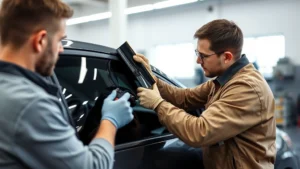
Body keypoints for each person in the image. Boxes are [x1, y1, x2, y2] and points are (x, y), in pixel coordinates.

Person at [0, 0, 133, 169]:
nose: (61, 49)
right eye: (59, 40)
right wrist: (110, 120)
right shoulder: (29, 104)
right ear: (40, 40)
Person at [134, 19, 276, 169]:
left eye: (203, 56)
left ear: (227, 57)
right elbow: (184, 97)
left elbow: (200, 131)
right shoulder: (225, 80)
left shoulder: (245, 88)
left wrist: (157, 104)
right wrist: (151, 77)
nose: (198, 60)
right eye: (198, 53)